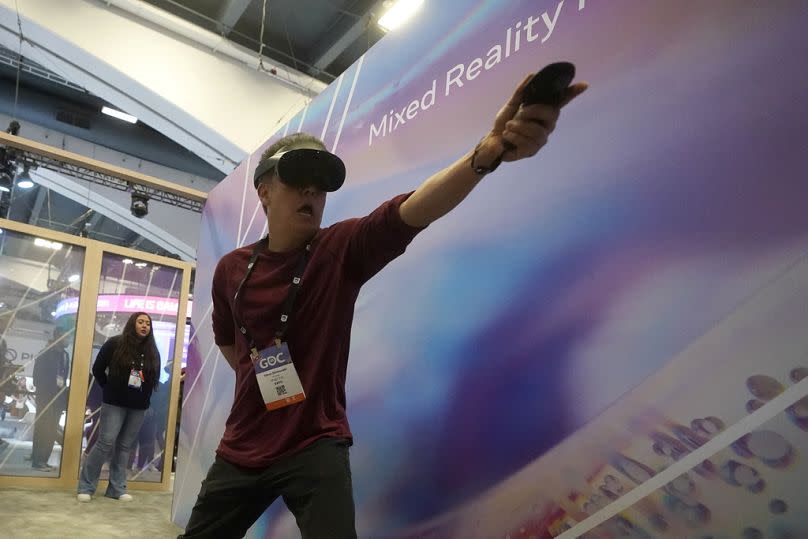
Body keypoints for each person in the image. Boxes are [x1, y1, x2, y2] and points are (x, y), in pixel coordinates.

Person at [179, 74, 588, 539]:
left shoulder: (340, 249)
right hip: (243, 446)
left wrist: (486, 153)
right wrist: (263, 377)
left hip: (315, 443)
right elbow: (231, 345)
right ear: (265, 190)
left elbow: (416, 208)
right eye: (297, 179)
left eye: (321, 184)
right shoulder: (232, 268)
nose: (312, 192)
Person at [77, 311, 161, 502]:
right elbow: (98, 369)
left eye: (147, 323)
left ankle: (116, 488)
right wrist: (108, 387)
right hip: (114, 402)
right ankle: (86, 487)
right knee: (105, 443)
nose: (144, 326)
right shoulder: (115, 343)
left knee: (124, 446)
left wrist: (145, 398)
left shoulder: (151, 350)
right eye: (140, 322)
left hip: (138, 406)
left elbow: (153, 378)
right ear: (132, 324)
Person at [31, 326, 69, 471]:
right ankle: (37, 461)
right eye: (66, 337)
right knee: (42, 428)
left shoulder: (65, 355)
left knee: (52, 429)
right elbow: (36, 378)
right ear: (58, 336)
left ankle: (44, 460)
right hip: (45, 397)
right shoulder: (45, 353)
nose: (69, 340)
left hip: (59, 398)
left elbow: (64, 377)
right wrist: (49, 388)